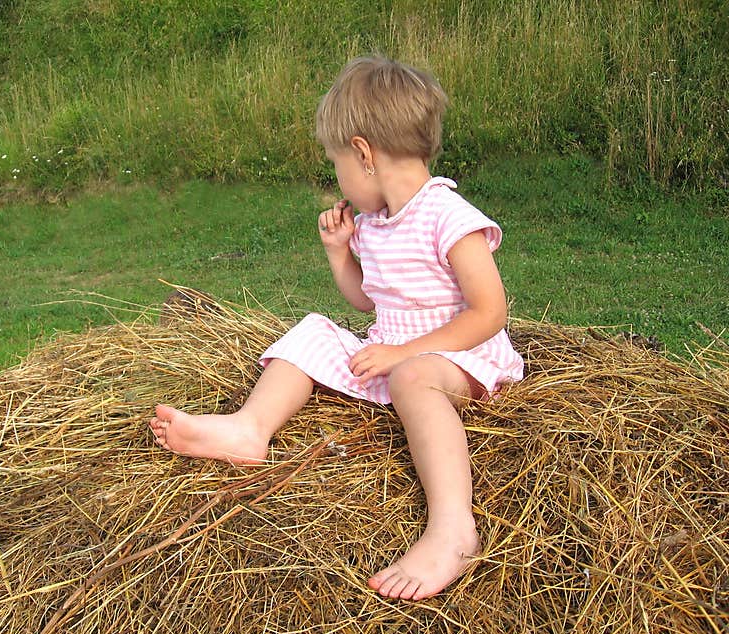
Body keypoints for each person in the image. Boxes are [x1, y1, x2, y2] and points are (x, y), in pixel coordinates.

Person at [150, 55, 524, 601]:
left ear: (364, 154)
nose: (339, 180)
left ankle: (453, 529)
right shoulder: (373, 223)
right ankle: (250, 428)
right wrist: (339, 254)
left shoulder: (450, 217)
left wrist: (404, 354)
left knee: (413, 377)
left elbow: (490, 313)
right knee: (313, 330)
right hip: (395, 353)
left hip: (463, 357)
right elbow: (366, 298)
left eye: (337, 165)